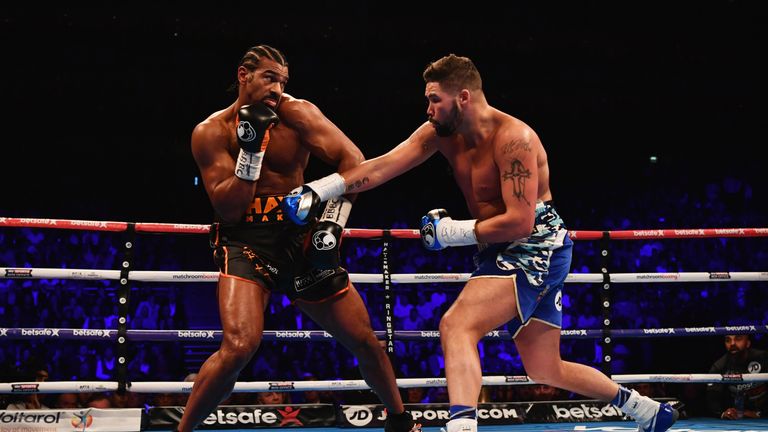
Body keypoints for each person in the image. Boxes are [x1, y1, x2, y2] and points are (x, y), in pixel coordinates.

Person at [283, 53, 678, 432]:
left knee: (456, 326)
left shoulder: (514, 139)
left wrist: (451, 232)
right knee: (544, 368)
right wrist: (322, 188)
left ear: (464, 97)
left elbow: (521, 222)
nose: (429, 109)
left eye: (435, 100)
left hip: (535, 245)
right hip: (504, 246)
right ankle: (646, 410)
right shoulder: (440, 134)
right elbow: (384, 165)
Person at [180, 44, 418, 432]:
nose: (277, 89)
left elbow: (354, 162)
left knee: (364, 340)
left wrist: (332, 219)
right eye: (269, 78)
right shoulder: (211, 132)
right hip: (244, 242)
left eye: (283, 81)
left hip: (301, 239)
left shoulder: (297, 114)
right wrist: (251, 150)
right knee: (239, 346)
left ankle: (399, 420)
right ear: (244, 76)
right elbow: (229, 210)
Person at [707, 334, 767, 420]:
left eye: (738, 339)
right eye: (728, 340)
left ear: (748, 343)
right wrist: (723, 413)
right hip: (737, 418)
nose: (732, 344)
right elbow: (712, 398)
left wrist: (760, 413)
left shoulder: (763, 358)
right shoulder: (719, 366)